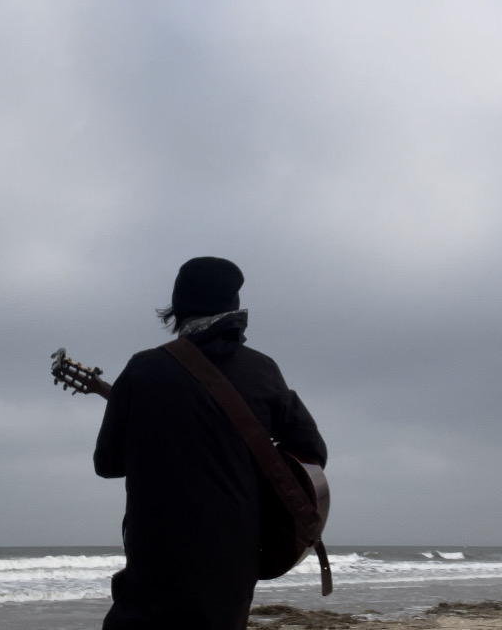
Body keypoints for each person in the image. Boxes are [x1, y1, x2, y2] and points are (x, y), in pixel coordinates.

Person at [93, 256, 328, 630]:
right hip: (234, 558)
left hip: (157, 555)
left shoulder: (143, 369)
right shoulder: (262, 370)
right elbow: (312, 452)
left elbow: (106, 463)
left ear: (177, 307)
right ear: (234, 306)